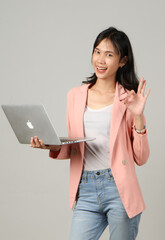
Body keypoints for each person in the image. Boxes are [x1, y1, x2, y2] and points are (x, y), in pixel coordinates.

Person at [30, 27, 150, 240]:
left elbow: (141, 157)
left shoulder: (128, 100)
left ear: (122, 61)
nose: (100, 60)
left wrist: (138, 116)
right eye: (97, 52)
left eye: (109, 54)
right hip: (85, 189)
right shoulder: (75, 96)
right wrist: (50, 144)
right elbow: (76, 145)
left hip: (119, 189)